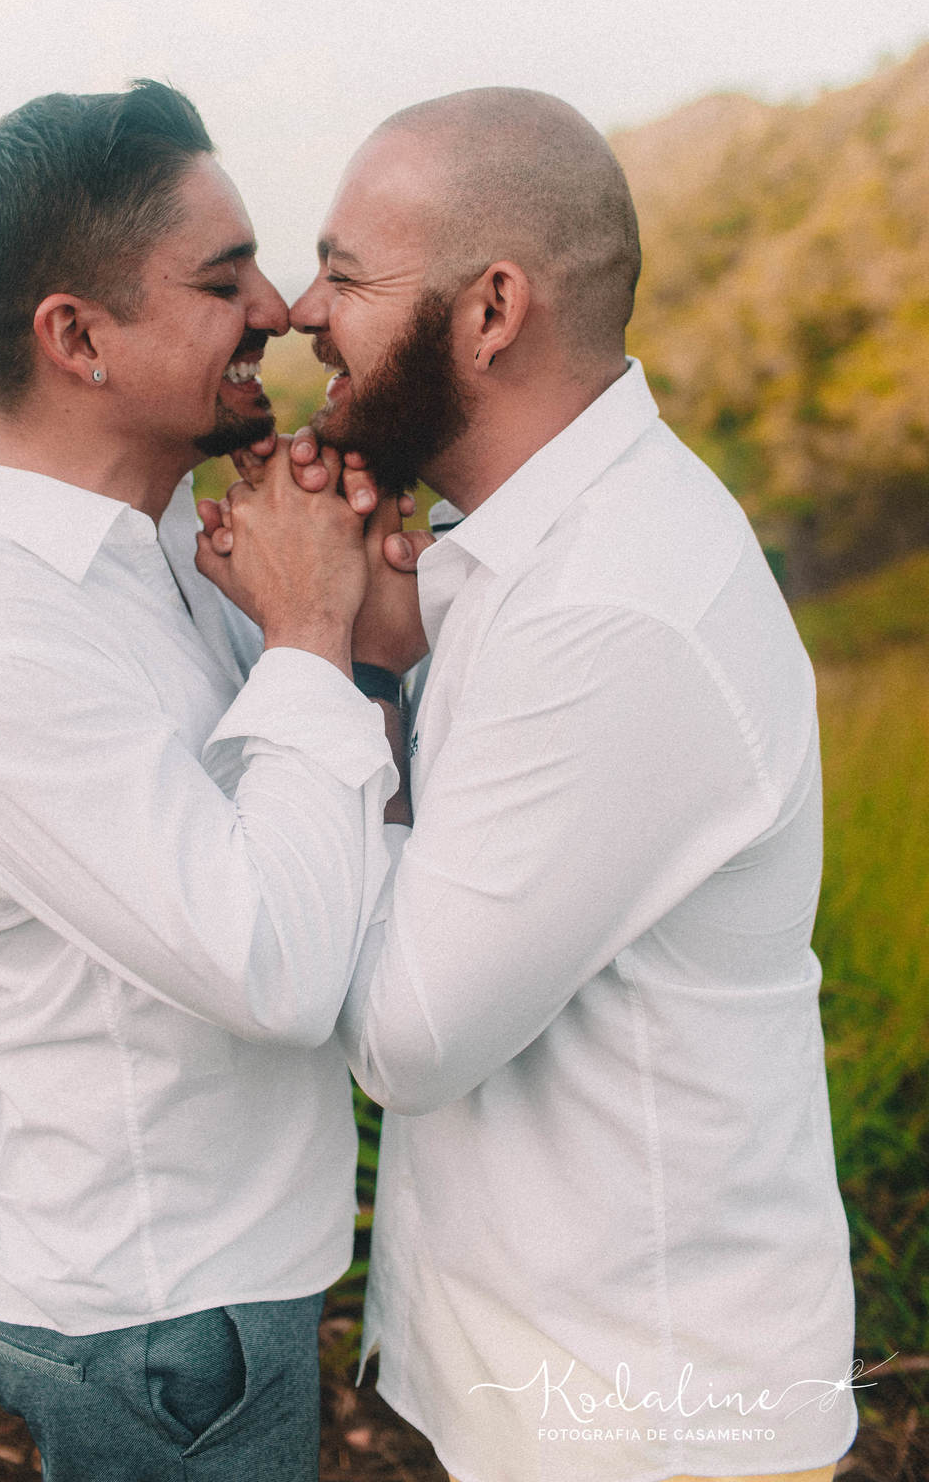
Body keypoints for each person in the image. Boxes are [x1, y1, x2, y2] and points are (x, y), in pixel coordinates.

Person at [201, 88, 857, 1482]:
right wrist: (382, 670)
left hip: (655, 1421)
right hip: (566, 1391)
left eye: (347, 274)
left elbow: (409, 1040)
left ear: (492, 311)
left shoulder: (611, 607)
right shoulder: (530, 557)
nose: (303, 312)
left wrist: (311, 644)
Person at [0, 81, 410, 1482]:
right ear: (77, 338)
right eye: (223, 282)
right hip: (158, 1308)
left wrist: (364, 641)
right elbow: (274, 966)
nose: (279, 308)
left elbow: (304, 827)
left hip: (219, 1262)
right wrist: (308, 630)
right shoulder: (0, 650)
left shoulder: (156, 533)